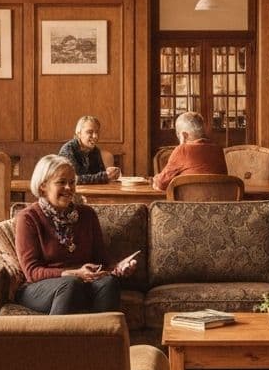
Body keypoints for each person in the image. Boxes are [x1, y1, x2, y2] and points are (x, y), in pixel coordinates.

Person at [14, 155, 136, 315]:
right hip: (40, 287)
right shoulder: (28, 218)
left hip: (81, 282)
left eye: (72, 182)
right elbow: (32, 272)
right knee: (70, 284)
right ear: (43, 186)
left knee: (109, 283)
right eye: (61, 182)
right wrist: (72, 273)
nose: (68, 188)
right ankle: (57, 339)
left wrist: (119, 268)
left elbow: (102, 260)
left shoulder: (87, 214)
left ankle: (103, 339)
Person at [152, 112, 228, 191]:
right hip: (217, 202)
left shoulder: (182, 150)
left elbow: (160, 184)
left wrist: (156, 178)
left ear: (184, 135)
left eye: (178, 134)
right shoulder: (218, 150)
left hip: (189, 202)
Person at [57, 115, 120, 185]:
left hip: (93, 192)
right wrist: (104, 176)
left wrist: (112, 174)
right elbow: (74, 179)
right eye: (90, 132)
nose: (95, 136)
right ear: (78, 134)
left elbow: (102, 176)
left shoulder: (95, 150)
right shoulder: (68, 149)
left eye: (97, 132)